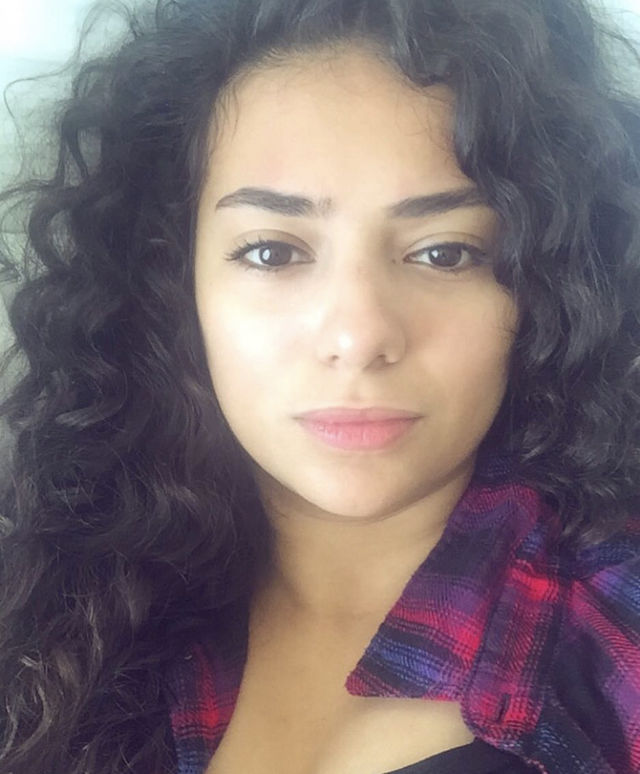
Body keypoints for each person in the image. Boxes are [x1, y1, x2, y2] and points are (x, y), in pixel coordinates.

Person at [0, 0, 639, 772]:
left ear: (544, 286)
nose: (358, 337)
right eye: (272, 252)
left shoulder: (620, 640)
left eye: (445, 253)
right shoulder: (53, 591)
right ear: (175, 280)